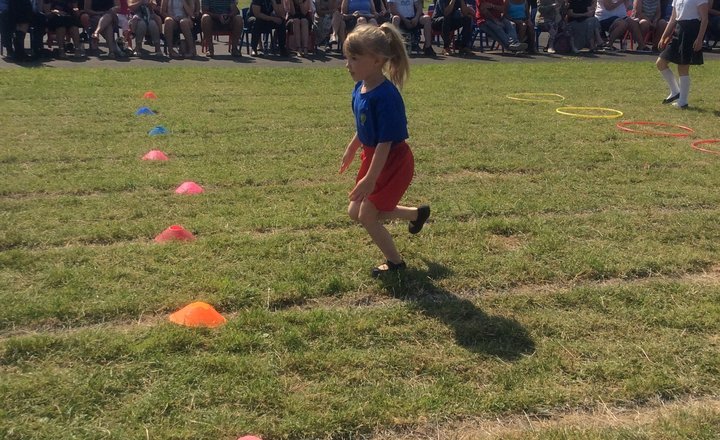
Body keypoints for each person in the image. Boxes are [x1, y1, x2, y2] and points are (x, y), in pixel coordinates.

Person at [339, 23, 430, 278]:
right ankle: (416, 214)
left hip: (392, 162)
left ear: (377, 60)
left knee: (367, 214)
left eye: (355, 58)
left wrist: (370, 179)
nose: (348, 65)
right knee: (354, 212)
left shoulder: (386, 96)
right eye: (347, 58)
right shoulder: (360, 88)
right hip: (373, 157)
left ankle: (395, 263)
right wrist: (351, 149)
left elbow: (385, 143)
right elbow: (365, 127)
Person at [655, 0, 708, 108]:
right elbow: (673, 18)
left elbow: (705, 19)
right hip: (678, 30)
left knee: (682, 67)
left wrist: (699, 39)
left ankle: (683, 101)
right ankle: (675, 91)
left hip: (691, 31)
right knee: (660, 63)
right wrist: (663, 36)